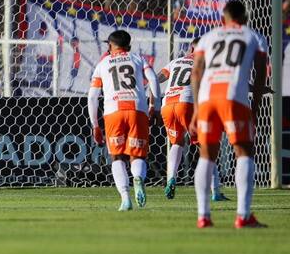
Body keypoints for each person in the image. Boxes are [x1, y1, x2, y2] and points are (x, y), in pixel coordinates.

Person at [191, 0, 268, 229]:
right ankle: (243, 215)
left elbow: (196, 72)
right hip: (234, 97)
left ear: (223, 17)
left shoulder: (207, 37)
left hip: (206, 98)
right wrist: (255, 108)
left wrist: (196, 109)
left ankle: (203, 216)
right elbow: (261, 75)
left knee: (206, 155)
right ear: (244, 17)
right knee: (244, 151)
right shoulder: (254, 36)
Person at [88, 30, 160, 211]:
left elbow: (92, 97)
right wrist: (155, 106)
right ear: (128, 46)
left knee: (116, 156)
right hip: (137, 110)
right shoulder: (138, 59)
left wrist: (95, 125)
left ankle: (125, 199)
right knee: (137, 154)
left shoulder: (103, 63)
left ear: (110, 46)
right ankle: (138, 178)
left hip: (113, 112)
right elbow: (153, 79)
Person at [158, 38, 228, 201]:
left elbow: (158, 77)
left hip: (167, 105)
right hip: (188, 104)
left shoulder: (175, 62)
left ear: (191, 48)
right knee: (205, 146)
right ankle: (215, 192)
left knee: (177, 143)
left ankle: (171, 179)